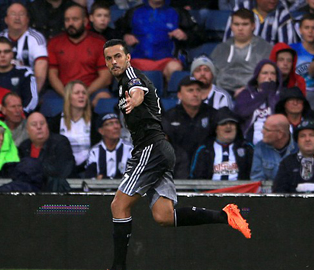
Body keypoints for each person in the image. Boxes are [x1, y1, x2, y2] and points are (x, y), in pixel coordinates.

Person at [103, 39, 251, 270]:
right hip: (160, 151)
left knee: (118, 206)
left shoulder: (133, 77)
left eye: (118, 56)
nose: (114, 62)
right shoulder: (123, 82)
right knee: (164, 217)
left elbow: (137, 89)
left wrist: (136, 96)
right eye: (109, 58)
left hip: (150, 149)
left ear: (128, 58)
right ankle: (225, 215)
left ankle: (117, 267)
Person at [47, 4, 112, 106]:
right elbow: (52, 75)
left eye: (75, 19)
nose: (70, 23)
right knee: (47, 103)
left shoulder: (99, 42)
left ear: (85, 21)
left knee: (104, 99)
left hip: (91, 90)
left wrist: (84, 93)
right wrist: (67, 95)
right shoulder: (54, 43)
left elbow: (105, 77)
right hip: (63, 91)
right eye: (67, 20)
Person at [162, 76, 218, 179]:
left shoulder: (213, 115)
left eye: (198, 90)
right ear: (179, 95)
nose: (195, 94)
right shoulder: (170, 116)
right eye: (190, 90)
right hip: (177, 170)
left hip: (206, 170)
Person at [0, 2, 48, 92]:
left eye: (21, 14)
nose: (17, 18)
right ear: (6, 19)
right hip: (2, 85)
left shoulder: (35, 38)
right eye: (13, 14)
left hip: (27, 86)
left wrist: (33, 95)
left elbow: (41, 66)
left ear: (27, 19)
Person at [211, 8, 273, 94]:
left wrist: (249, 89)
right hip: (221, 93)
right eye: (236, 24)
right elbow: (212, 75)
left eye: (245, 24)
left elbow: (268, 77)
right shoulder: (221, 48)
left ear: (253, 26)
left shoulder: (265, 48)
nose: (240, 28)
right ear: (231, 26)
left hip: (253, 94)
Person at [49, 80, 101, 177]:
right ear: (68, 97)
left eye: (84, 93)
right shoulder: (55, 122)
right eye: (77, 93)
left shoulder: (96, 120)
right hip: (63, 170)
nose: (81, 96)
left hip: (88, 170)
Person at [190, 108, 254, 180]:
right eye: (223, 123)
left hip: (241, 190)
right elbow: (195, 177)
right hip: (210, 190)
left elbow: (254, 175)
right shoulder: (204, 149)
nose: (228, 126)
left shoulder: (247, 148)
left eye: (232, 123)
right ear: (216, 128)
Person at [18, 112, 75, 191]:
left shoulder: (60, 143)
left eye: (42, 123)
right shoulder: (24, 147)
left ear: (47, 126)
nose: (39, 127)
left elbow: (64, 171)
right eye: (34, 124)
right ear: (27, 130)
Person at [234, 59, 282, 145]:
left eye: (273, 73)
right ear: (257, 77)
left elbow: (280, 116)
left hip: (276, 144)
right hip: (249, 144)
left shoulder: (281, 95)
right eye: (265, 73)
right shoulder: (246, 94)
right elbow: (242, 113)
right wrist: (264, 93)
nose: (269, 77)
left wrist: (270, 93)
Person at [0, 37, 38, 113]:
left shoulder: (25, 73)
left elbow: (31, 101)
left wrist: (15, 114)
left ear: (12, 54)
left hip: (20, 119)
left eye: (6, 51)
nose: (2, 55)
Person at [222, 0, 297, 45]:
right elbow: (228, 42)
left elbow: (287, 49)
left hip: (269, 65)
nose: (273, 1)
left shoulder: (283, 14)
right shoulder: (241, 8)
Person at [251, 114, 298, 181]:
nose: (262, 131)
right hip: (269, 191)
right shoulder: (260, 147)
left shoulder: (299, 147)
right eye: (263, 128)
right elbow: (257, 179)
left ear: (280, 134)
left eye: (267, 130)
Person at [85, 113, 132, 179]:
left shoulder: (130, 149)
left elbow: (133, 176)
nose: (116, 127)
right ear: (101, 131)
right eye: (110, 124)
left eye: (117, 122)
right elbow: (90, 177)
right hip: (99, 189)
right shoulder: (94, 151)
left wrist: (102, 177)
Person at [273, 119, 314, 192]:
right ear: (297, 141)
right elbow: (278, 192)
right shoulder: (287, 163)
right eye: (302, 136)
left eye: (311, 135)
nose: (307, 139)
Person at [290, 13, 314, 108]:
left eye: (313, 28)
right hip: (295, 96)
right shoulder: (291, 50)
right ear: (300, 30)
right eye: (306, 27)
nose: (310, 31)